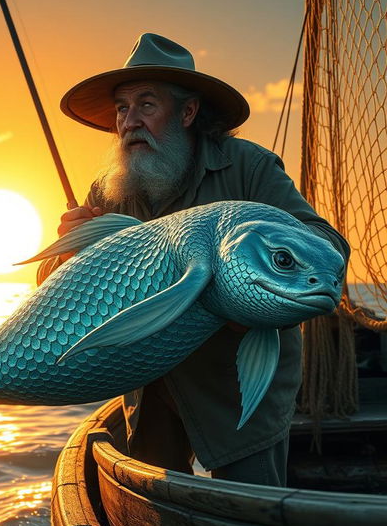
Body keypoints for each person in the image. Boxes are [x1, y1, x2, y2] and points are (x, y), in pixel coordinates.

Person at [38, 33, 350, 486]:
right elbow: (51, 293)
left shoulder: (248, 167)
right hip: (148, 393)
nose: (129, 121)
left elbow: (326, 243)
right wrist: (66, 250)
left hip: (239, 389)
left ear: (187, 112)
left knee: (250, 523)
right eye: (122, 108)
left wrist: (247, 300)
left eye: (147, 104)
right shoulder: (109, 191)